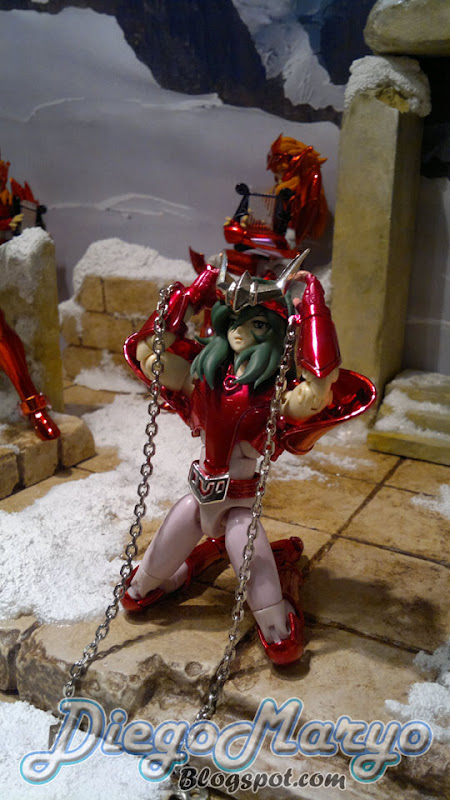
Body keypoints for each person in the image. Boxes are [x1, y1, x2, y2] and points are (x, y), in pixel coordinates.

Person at [122, 255, 373, 665]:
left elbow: (316, 393)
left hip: (239, 504)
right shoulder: (201, 375)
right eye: (235, 322)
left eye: (258, 325)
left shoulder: (273, 394)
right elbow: (149, 354)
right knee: (154, 563)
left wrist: (314, 310)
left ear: (276, 333)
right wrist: (191, 295)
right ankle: (151, 581)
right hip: (198, 495)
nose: (241, 332)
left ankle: (276, 622)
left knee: (247, 552)